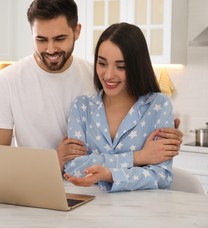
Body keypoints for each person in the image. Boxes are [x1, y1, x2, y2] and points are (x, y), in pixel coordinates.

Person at [0, 0, 182, 171]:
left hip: (93, 189)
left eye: (59, 39)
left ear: (76, 31)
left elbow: (127, 128)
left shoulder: (97, 76)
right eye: (41, 40)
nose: (50, 49)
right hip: (34, 188)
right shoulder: (7, 81)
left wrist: (162, 132)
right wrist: (53, 161)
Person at [64, 22, 174, 192]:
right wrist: (138, 157)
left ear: (137, 66)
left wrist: (109, 175)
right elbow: (73, 168)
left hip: (145, 211)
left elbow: (161, 175)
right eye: (102, 63)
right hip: (92, 210)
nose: (108, 75)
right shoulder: (82, 107)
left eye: (121, 66)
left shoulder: (158, 106)